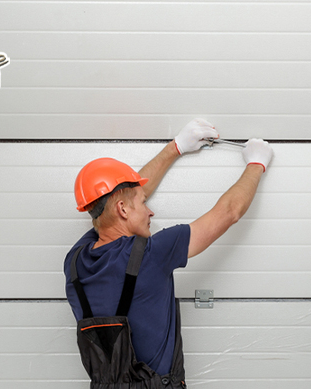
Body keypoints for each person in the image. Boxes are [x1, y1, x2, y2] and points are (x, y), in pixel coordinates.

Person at [64, 118, 273, 388]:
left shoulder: (76, 261)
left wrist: (176, 147)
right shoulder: (151, 254)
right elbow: (229, 213)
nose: (150, 210)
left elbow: (117, 202)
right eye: (143, 203)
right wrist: (257, 164)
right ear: (123, 210)